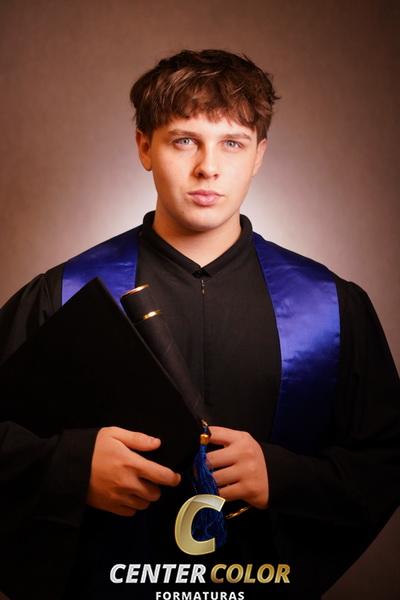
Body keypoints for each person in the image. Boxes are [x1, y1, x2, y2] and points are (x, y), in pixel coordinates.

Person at [0, 49, 399, 600]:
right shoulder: (63, 294)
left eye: (232, 143)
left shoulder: (328, 306)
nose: (208, 167)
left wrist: (282, 478)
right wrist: (72, 466)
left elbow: (386, 457)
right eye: (184, 140)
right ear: (144, 147)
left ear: (259, 155)